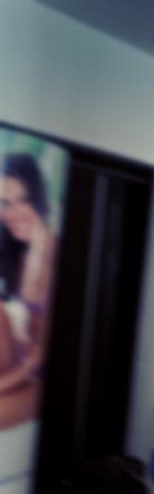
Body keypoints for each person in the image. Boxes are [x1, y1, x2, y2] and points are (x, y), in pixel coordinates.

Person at [0, 153, 56, 430]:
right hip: (20, 361)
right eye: (5, 203)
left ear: (38, 197)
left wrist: (3, 384)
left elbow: (40, 357)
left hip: (42, 374)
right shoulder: (17, 254)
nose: (13, 213)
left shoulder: (59, 251)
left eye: (22, 199)